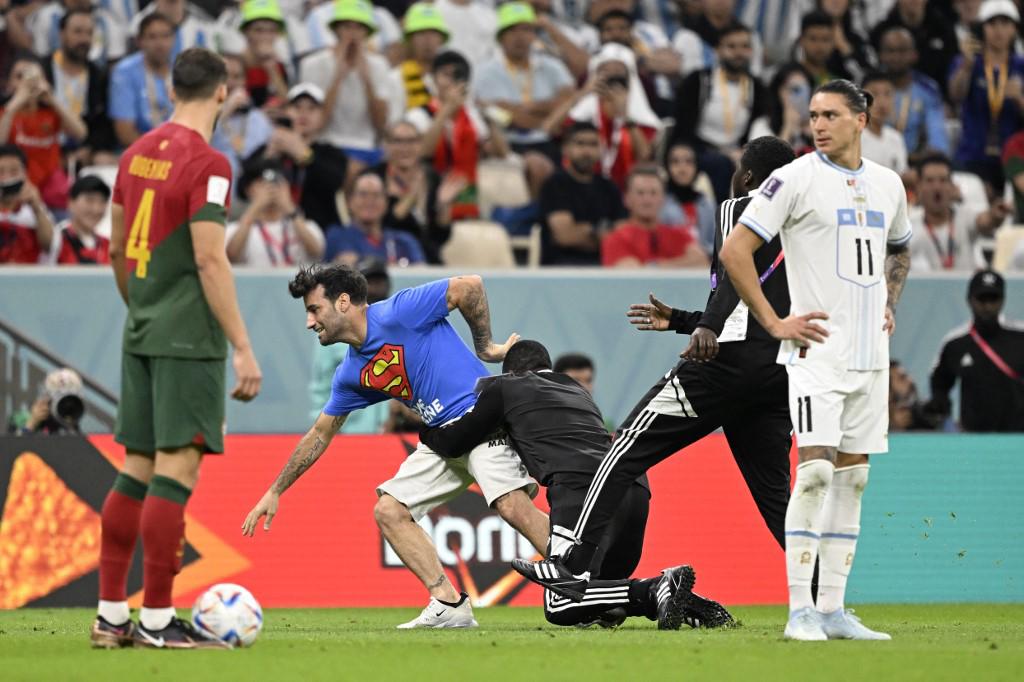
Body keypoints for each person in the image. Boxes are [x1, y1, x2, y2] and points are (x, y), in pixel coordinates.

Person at [511, 135, 798, 608]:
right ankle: (824, 597)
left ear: (747, 176)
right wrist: (685, 320)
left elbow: (733, 270)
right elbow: (759, 294)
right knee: (777, 499)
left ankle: (570, 564)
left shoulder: (740, 205)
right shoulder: (800, 222)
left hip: (723, 365)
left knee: (621, 449)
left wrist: (703, 325)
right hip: (776, 372)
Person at [241, 264, 550, 629]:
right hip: (444, 438)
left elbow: (469, 286)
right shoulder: (352, 373)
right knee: (389, 511)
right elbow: (320, 433)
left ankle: (586, 577)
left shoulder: (400, 310)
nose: (309, 322)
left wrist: (486, 347)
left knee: (512, 506)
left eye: (314, 309)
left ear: (343, 302)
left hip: (479, 416)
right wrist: (276, 490)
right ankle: (449, 603)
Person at [719, 80, 912, 640]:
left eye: (830, 115)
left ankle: (832, 610)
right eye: (812, 115)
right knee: (815, 474)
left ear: (861, 120)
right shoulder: (793, 179)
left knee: (852, 482)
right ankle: (799, 611)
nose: (818, 125)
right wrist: (774, 322)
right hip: (814, 354)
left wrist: (888, 301)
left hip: (870, 355)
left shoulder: (888, 185)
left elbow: (899, 247)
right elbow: (736, 251)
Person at [92, 47, 262, 650]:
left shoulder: (133, 155)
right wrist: (242, 346)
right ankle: (160, 623)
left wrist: (141, 309)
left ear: (170, 91)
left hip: (140, 329)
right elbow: (209, 256)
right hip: (189, 337)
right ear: (222, 92)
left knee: (136, 467)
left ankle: (112, 616)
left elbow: (114, 250)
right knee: (175, 472)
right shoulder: (210, 163)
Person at [420, 340, 734, 630]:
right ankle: (678, 599)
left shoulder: (505, 386)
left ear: (511, 371)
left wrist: (426, 429)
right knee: (606, 606)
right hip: (634, 489)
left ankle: (655, 588)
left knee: (562, 603)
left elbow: (456, 440)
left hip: (581, 490)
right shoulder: (575, 389)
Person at [671, 20, 766, 203]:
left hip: (738, 152)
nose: (739, 53)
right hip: (699, 150)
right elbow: (682, 128)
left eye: (745, 47)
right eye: (731, 46)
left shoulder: (757, 87)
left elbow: (760, 126)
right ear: (717, 50)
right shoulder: (699, 81)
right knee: (721, 165)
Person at [548, 43, 661, 191]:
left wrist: (625, 116)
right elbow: (550, 128)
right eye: (606, 70)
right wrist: (582, 94)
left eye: (618, 70)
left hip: (625, 191)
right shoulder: (585, 112)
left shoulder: (640, 117)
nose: (612, 75)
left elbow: (644, 156)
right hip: (581, 185)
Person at [925, 270, 1024, 432]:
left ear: (1003, 300)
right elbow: (940, 382)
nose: (988, 306)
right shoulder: (955, 343)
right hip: (973, 439)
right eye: (981, 299)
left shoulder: (1020, 337)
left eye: (994, 299)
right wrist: (940, 404)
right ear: (969, 300)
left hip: (1019, 438)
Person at [298, 0, 392, 165]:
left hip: (366, 146)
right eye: (347, 26)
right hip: (326, 144)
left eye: (359, 27)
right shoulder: (312, 64)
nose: (352, 33)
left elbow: (380, 125)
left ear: (367, 32)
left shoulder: (379, 65)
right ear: (336, 30)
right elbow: (316, 124)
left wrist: (367, 81)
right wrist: (337, 77)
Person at [250, 83, 348, 232]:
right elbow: (243, 185)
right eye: (297, 108)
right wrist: (269, 155)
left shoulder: (331, 152)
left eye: (312, 109)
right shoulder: (271, 147)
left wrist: (305, 155)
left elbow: (334, 182)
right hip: (273, 231)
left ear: (322, 116)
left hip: (318, 230)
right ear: (286, 112)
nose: (304, 114)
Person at [948, 0, 1024, 192]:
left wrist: (1020, 100)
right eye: (992, 24)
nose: (999, 30)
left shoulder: (1021, 67)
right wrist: (966, 67)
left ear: (1015, 29)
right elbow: (955, 95)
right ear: (982, 28)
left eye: (1005, 23)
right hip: (972, 155)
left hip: (1013, 157)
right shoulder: (968, 62)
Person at [0, 53, 86, 209]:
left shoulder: (51, 112)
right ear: (8, 83)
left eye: (34, 78)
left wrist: (53, 100)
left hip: (51, 186)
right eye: (19, 77)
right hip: (13, 184)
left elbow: (81, 133)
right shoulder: (5, 112)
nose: (27, 84)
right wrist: (14, 105)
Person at [537, 121, 626, 265]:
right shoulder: (555, 184)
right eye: (580, 144)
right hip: (562, 267)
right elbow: (564, 236)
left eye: (593, 144)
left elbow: (623, 234)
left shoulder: (609, 186)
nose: (587, 151)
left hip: (607, 265)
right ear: (565, 149)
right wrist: (597, 231)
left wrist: (586, 232)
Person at [908, 152, 1008, 271]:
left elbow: (985, 222)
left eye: (943, 180)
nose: (937, 187)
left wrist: (995, 215)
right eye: (930, 181)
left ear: (952, 185)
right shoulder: (909, 229)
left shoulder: (965, 216)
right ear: (919, 186)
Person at [41, 8, 116, 164]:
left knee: (105, 160)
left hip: (84, 148)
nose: (84, 39)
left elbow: (105, 124)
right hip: (46, 143)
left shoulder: (99, 75)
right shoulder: (42, 69)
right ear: (62, 34)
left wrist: (89, 148)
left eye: (89, 33)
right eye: (77, 32)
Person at [368, 121, 448, 262]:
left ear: (420, 144)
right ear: (386, 145)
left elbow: (441, 236)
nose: (405, 148)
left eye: (411, 141)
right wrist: (411, 196)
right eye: (398, 141)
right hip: (389, 257)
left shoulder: (432, 177)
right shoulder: (374, 178)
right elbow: (380, 227)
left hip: (428, 260)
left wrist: (443, 206)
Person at [602, 165, 709, 268]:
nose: (647, 200)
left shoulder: (679, 235)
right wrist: (680, 263)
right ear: (626, 199)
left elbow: (702, 262)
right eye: (640, 193)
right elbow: (631, 273)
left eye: (653, 193)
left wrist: (653, 266)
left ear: (663, 198)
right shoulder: (615, 239)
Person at [226, 158, 325, 266]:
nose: (271, 188)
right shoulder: (234, 229)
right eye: (262, 183)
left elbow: (316, 252)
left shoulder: (307, 226)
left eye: (277, 182)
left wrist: (290, 208)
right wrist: (255, 208)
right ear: (248, 189)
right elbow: (231, 256)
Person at [875, 25, 949, 156]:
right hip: (876, 161)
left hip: (917, 164)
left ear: (914, 55)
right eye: (890, 51)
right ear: (881, 55)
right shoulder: (868, 89)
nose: (896, 57)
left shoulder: (928, 90)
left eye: (902, 51)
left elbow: (936, 135)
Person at [324, 171, 426, 265]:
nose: (370, 201)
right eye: (363, 194)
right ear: (350, 202)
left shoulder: (404, 241)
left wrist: (359, 259)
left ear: (386, 203)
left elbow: (422, 274)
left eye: (376, 195)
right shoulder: (338, 236)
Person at [109, 13, 176, 148]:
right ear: (139, 41)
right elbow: (125, 133)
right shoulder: (124, 72)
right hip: (139, 152)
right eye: (152, 37)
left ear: (173, 39)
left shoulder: (181, 70)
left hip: (178, 150)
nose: (160, 43)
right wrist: (162, 154)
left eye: (165, 36)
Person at [389, 2, 449, 114]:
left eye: (433, 33)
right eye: (421, 33)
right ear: (410, 39)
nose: (428, 39)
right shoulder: (396, 78)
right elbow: (394, 126)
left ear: (441, 39)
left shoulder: (451, 77)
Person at [0, 143, 54, 263]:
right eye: (1, 172)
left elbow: (50, 246)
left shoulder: (35, 208)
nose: (7, 178)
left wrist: (37, 208)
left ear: (25, 174)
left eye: (14, 171)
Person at [659, 142, 717, 254]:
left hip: (703, 266)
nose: (682, 168)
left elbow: (714, 244)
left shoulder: (707, 204)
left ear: (697, 166)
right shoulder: (659, 202)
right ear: (667, 166)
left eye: (689, 162)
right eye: (675, 162)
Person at [748, 63, 815, 157]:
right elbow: (763, 168)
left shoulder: (818, 123)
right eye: (794, 90)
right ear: (779, 92)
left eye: (804, 89)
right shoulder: (762, 125)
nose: (800, 97)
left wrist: (814, 138)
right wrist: (787, 129)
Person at [47, 174, 111, 264]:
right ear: (71, 203)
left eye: (102, 202)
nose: (96, 209)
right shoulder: (56, 239)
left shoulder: (109, 245)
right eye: (90, 200)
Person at [7, 367, 86, 435]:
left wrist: (71, 425)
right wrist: (32, 422)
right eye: (58, 396)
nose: (66, 405)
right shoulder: (21, 419)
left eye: (71, 400)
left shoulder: (73, 429)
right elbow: (12, 450)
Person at [859, 71, 908, 175]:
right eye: (874, 94)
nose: (882, 102)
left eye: (888, 94)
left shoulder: (896, 138)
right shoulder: (852, 137)